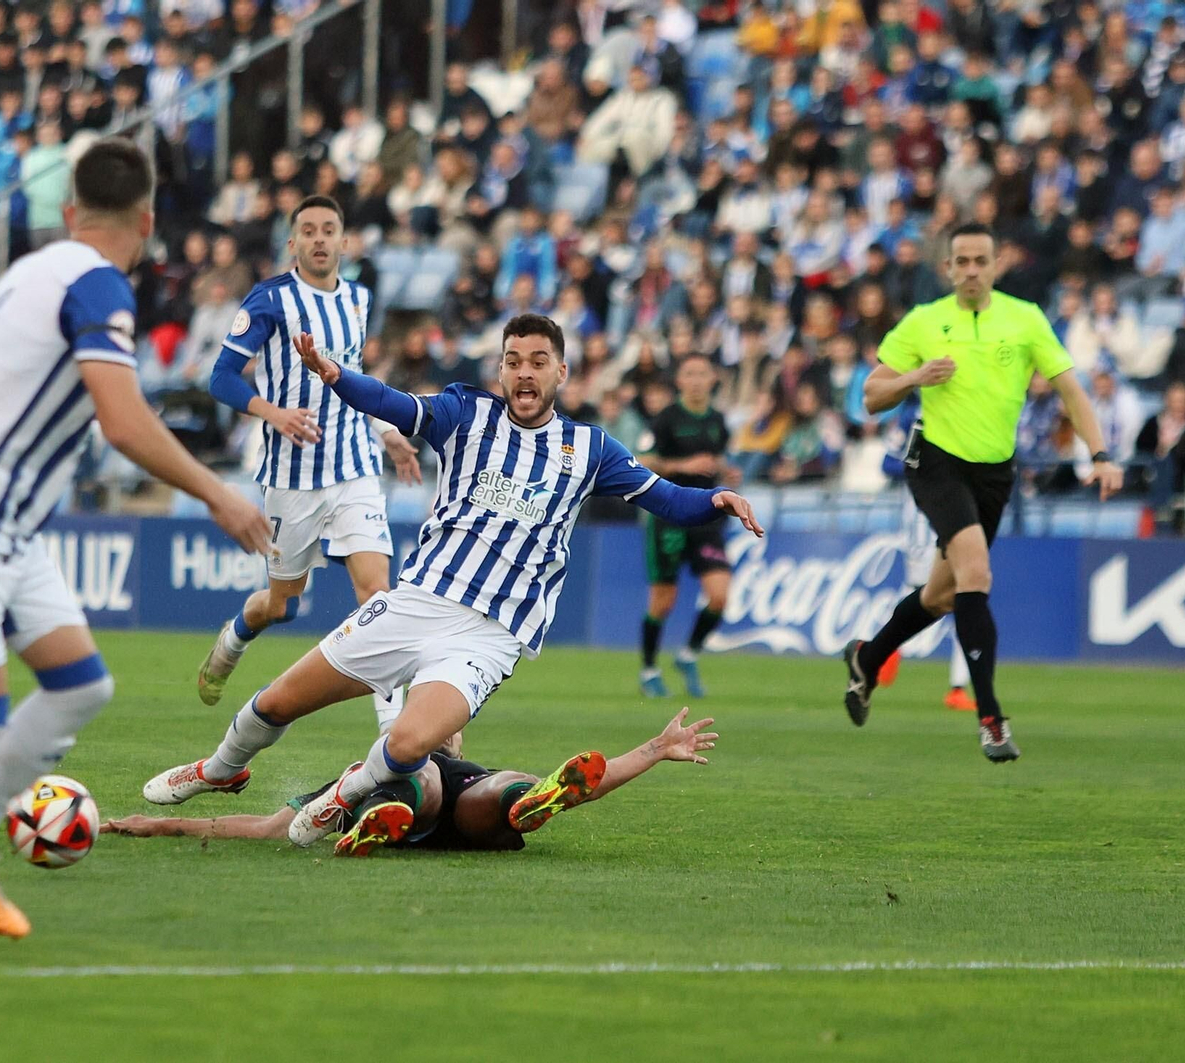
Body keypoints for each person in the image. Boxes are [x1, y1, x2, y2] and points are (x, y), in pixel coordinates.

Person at [0, 138, 270, 956]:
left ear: (70, 211)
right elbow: (120, 416)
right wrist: (217, 491)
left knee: (79, 685)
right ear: (147, 221)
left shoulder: (33, 268)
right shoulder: (98, 284)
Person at [140, 314, 763, 852]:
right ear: (500, 368)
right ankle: (221, 770)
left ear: (562, 374)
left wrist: (718, 500)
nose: (524, 373)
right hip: (418, 602)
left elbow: (670, 500)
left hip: (489, 637)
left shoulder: (589, 449)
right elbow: (395, 405)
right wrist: (336, 376)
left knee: (411, 740)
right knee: (276, 702)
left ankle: (345, 796)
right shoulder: (466, 413)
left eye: (539, 362)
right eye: (513, 360)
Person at [842, 223, 1124, 763]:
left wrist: (1100, 454)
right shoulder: (925, 321)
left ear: (997, 265)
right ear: (947, 268)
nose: (971, 269)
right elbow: (872, 396)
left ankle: (867, 659)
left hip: (995, 471)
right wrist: (914, 378)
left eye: (980, 260)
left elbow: (1071, 389)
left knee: (943, 595)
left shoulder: (1025, 319)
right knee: (976, 574)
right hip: (936, 462)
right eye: (961, 261)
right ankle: (991, 719)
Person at [199, 194, 422, 733]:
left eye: (329, 229)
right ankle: (233, 638)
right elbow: (222, 377)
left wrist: (387, 431)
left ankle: (396, 734)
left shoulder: (360, 300)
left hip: (356, 468)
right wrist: (272, 412)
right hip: (293, 478)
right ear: (292, 242)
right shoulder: (270, 299)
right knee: (282, 606)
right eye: (309, 231)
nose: (320, 239)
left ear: (345, 242)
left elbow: (352, 382)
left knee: (376, 593)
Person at [107, 709, 717, 855]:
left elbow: (267, 829)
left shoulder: (462, 760)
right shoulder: (391, 761)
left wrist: (657, 748)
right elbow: (265, 827)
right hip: (415, 793)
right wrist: (165, 823)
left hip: (455, 798)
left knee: (503, 791)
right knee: (421, 775)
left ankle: (533, 800)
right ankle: (393, 816)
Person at [636, 352, 740, 699]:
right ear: (680, 381)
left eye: (702, 373)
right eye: (690, 374)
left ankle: (688, 654)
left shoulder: (718, 421)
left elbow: (717, 459)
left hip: (707, 519)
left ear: (713, 379)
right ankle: (649, 669)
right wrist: (684, 465)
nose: (696, 380)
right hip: (669, 518)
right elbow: (643, 461)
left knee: (720, 596)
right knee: (663, 601)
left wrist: (726, 471)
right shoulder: (665, 419)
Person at [872, 391, 975, 712]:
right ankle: (884, 650)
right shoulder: (912, 414)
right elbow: (887, 463)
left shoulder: (966, 408)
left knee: (965, 594)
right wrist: (920, 463)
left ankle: (957, 687)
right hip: (921, 515)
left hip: (956, 510)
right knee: (921, 591)